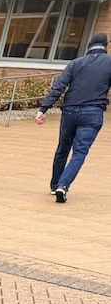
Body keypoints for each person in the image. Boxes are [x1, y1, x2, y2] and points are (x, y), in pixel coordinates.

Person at [37, 31, 111, 203]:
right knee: (79, 152)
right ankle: (63, 185)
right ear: (105, 46)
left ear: (89, 46)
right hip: (93, 112)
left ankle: (55, 185)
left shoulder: (75, 63)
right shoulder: (109, 63)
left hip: (69, 111)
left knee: (62, 149)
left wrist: (43, 109)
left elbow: (59, 86)